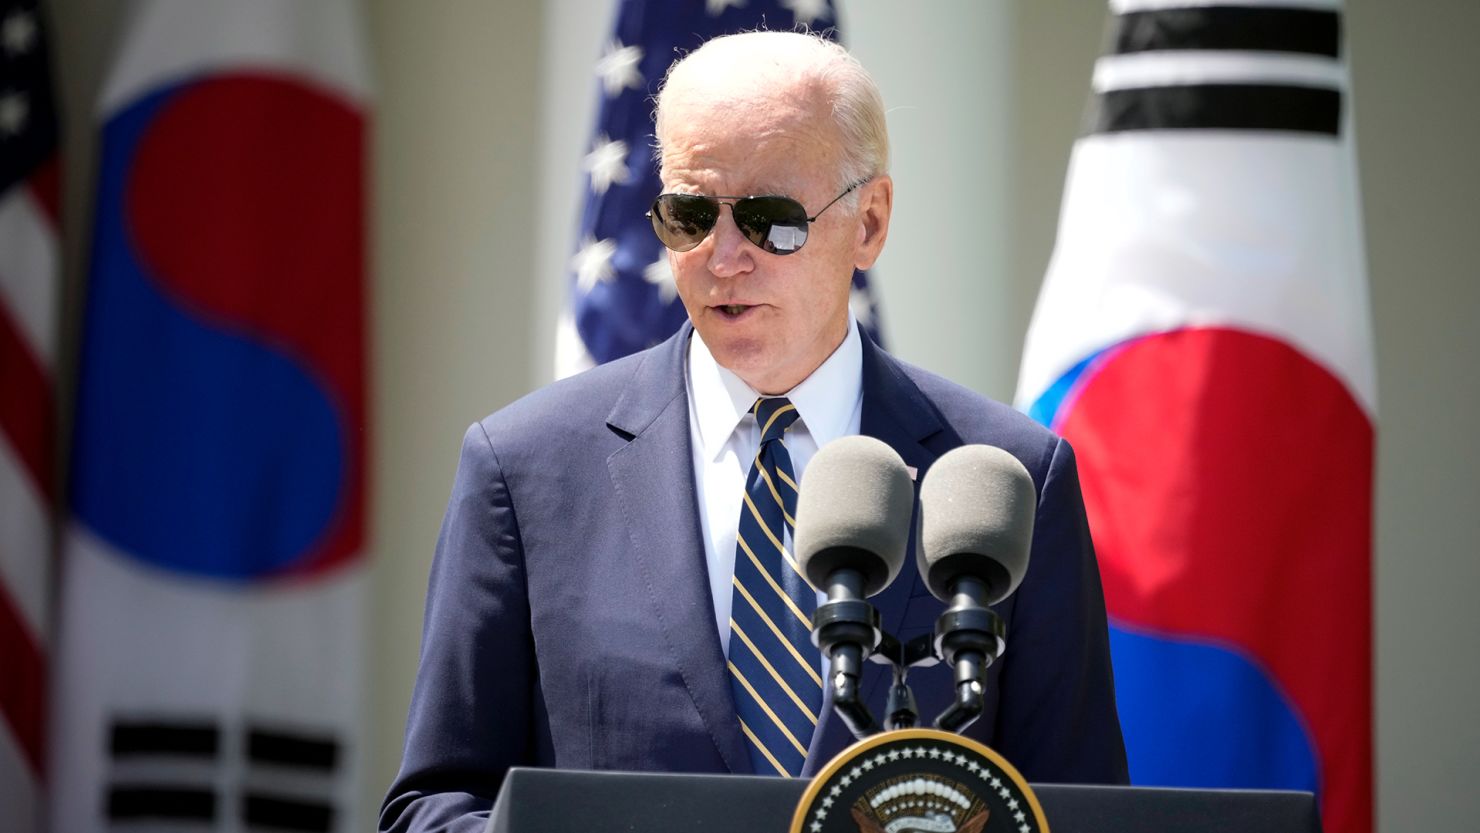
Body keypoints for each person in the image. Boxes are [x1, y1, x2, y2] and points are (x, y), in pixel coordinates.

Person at [381, 31, 1127, 833]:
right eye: (691, 215)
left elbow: (1081, 809)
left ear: (869, 223)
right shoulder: (525, 470)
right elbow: (431, 806)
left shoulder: (1002, 479)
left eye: (771, 220)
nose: (724, 256)